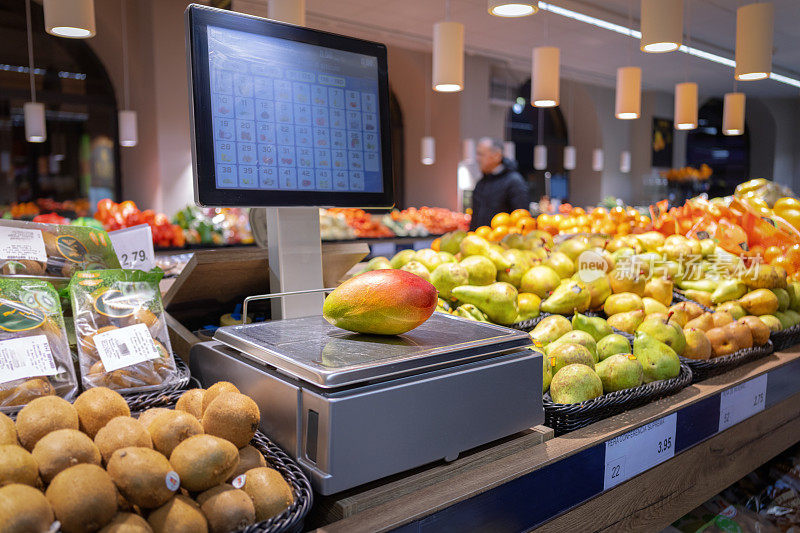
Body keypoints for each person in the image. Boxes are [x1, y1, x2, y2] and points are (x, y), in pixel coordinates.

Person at [469, 137, 530, 230]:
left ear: (497, 156)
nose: (477, 159)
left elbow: (522, 221)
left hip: (502, 242)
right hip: (479, 241)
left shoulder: (514, 182)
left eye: (481, 154)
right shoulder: (481, 183)